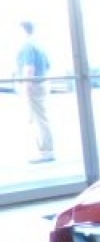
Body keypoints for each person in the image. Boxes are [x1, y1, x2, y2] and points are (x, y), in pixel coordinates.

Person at [16, 21, 54, 163]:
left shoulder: (28, 46)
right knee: (41, 118)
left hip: (34, 85)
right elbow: (48, 65)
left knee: (39, 120)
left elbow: (29, 68)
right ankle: (45, 150)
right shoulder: (39, 45)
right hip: (42, 83)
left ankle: (46, 151)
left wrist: (26, 86)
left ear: (23, 31)